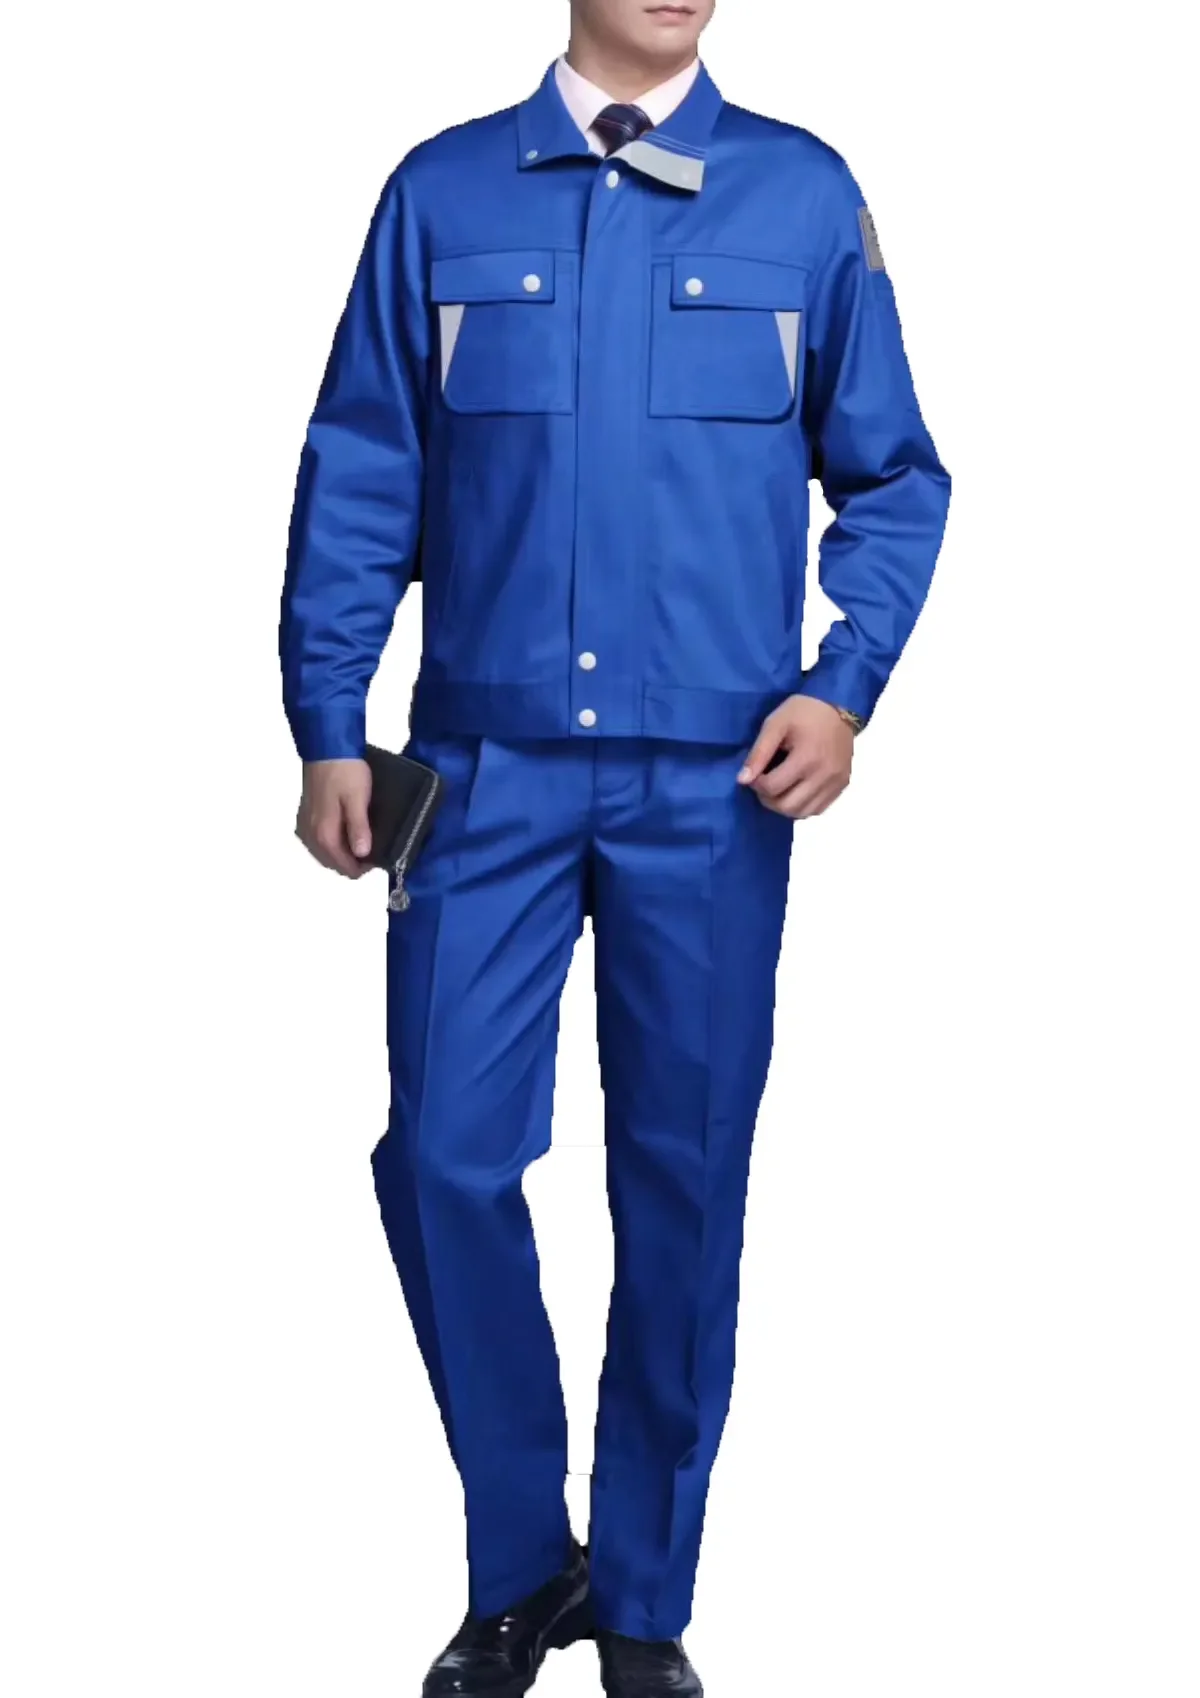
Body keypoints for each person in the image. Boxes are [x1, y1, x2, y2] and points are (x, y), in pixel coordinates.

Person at [281, 1, 950, 1690]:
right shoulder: (439, 193)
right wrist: (326, 714)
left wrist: (844, 686)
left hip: (717, 783)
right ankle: (525, 1558)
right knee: (444, 1156)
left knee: (684, 1176)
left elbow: (895, 478)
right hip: (476, 768)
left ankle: (644, 1597)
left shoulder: (804, 197)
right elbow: (362, 468)